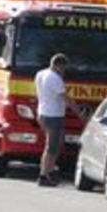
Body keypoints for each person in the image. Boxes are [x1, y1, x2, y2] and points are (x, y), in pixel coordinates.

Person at [35, 52, 70, 187]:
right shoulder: (55, 78)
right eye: (64, 67)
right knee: (52, 147)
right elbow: (65, 98)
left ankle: (48, 172)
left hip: (43, 113)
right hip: (54, 115)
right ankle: (44, 174)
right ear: (59, 65)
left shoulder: (40, 74)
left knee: (51, 145)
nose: (64, 70)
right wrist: (79, 112)